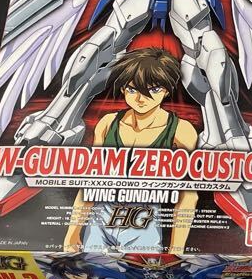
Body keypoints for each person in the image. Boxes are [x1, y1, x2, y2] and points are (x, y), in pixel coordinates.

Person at [64, 48, 199, 255]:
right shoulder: (108, 123)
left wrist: (176, 249)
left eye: (153, 89)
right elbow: (91, 182)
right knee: (92, 270)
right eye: (133, 89)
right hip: (101, 219)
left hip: (144, 222)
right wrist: (72, 233)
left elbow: (188, 195)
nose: (141, 98)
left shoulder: (181, 130)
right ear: (123, 89)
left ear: (166, 90)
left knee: (144, 273)